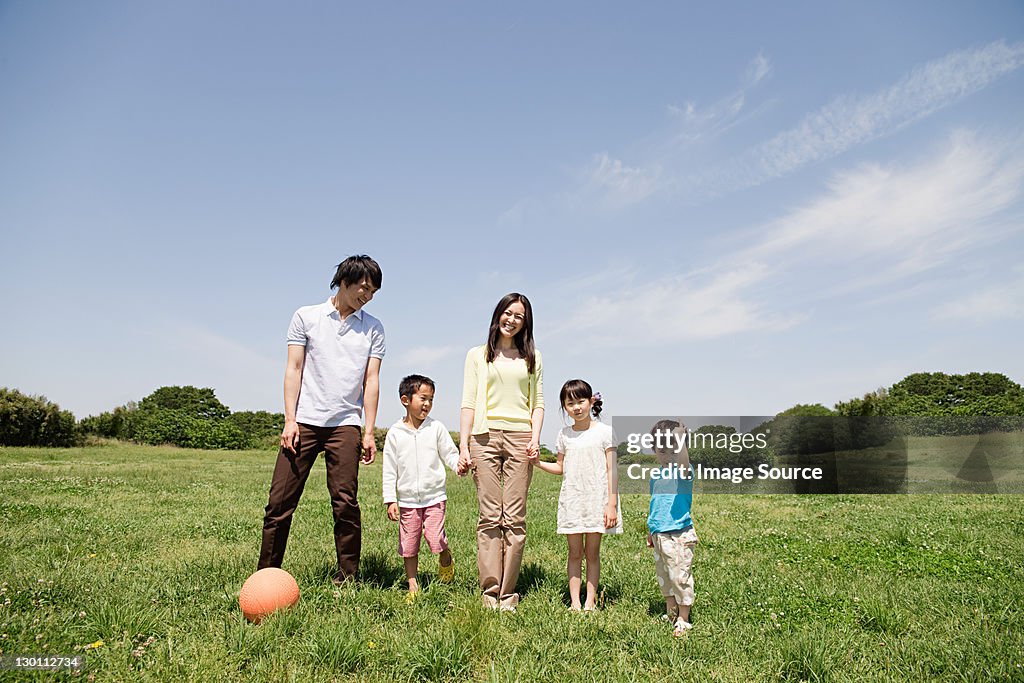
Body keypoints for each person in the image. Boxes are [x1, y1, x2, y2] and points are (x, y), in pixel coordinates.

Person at [258, 255, 385, 585]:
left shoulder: (373, 327)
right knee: (279, 503)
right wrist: (290, 419)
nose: (367, 296)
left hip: (346, 422)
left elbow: (371, 380)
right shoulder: (307, 316)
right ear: (344, 282)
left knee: (345, 502)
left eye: (373, 292)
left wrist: (368, 431)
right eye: (363, 288)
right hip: (305, 421)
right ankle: (266, 576)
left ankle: (348, 577)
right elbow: (294, 368)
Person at [457, 293, 544, 611]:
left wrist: (535, 438)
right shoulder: (477, 356)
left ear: (525, 322)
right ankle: (489, 592)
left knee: (515, 517)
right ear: (498, 315)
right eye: (508, 313)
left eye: (519, 316)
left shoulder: (532, 358)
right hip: (484, 437)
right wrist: (464, 445)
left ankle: (508, 594)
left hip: (521, 438)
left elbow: (538, 403)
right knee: (489, 517)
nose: (512, 319)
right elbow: (468, 401)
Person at [531, 379, 621, 612]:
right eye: (570, 403)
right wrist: (538, 463)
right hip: (573, 500)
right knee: (574, 553)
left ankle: (590, 601)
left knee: (592, 553)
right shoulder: (564, 435)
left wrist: (611, 504)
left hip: (597, 500)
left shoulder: (605, 432)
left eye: (581, 401)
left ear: (591, 401)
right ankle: (574, 602)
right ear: (564, 407)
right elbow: (560, 467)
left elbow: (612, 469)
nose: (577, 407)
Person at [381, 374, 462, 601]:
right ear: (405, 400)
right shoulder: (395, 433)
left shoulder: (435, 428)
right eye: (423, 398)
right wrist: (390, 499)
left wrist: (459, 466)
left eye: (431, 399)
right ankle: (413, 585)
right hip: (407, 500)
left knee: (435, 539)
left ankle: (445, 557)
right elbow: (389, 469)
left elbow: (450, 454)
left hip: (434, 496)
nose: (427, 404)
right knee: (409, 545)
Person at [646, 419, 699, 636]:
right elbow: (654, 504)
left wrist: (680, 441)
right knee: (665, 576)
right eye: (663, 451)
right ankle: (671, 611)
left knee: (680, 576)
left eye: (674, 451)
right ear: (655, 450)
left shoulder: (683, 472)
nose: (669, 456)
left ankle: (683, 619)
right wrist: (651, 530)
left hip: (679, 533)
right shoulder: (655, 475)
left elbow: (684, 464)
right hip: (660, 533)